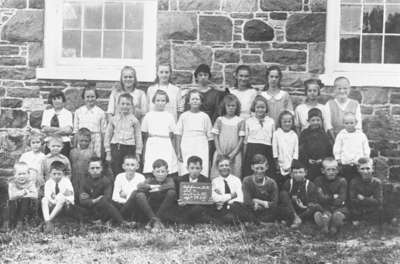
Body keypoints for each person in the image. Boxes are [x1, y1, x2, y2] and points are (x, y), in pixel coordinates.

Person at [80, 157, 132, 227]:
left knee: (106, 202)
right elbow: (83, 200)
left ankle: (121, 222)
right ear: (88, 170)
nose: (95, 170)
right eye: (92, 168)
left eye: (97, 168)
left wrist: (98, 200)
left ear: (101, 169)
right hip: (90, 208)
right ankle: (99, 221)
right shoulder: (84, 181)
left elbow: (107, 197)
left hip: (103, 208)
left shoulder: (106, 181)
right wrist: (94, 200)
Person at [243, 154, 292, 224]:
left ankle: (257, 222)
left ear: (267, 167)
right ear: (252, 167)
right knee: (238, 207)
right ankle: (260, 222)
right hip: (253, 210)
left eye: (262, 168)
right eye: (257, 168)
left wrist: (258, 201)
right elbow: (247, 201)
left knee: (281, 209)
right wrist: (262, 205)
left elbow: (274, 203)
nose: (259, 171)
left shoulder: (271, 182)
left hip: (268, 211)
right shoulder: (247, 180)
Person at [176, 90, 213, 177]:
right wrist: (179, 151)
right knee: (185, 167)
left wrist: (208, 152)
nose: (195, 101)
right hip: (186, 144)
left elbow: (210, 137)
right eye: (192, 99)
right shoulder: (184, 116)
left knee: (201, 166)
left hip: (201, 145)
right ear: (188, 101)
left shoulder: (205, 116)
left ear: (201, 102)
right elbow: (178, 134)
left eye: (197, 99)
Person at [105, 93, 143, 176]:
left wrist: (138, 153)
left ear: (132, 106)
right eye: (122, 104)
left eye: (128, 104)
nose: (125, 106)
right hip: (116, 147)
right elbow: (108, 136)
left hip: (129, 148)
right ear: (118, 105)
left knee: (129, 169)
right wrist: (108, 152)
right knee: (116, 170)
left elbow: (138, 137)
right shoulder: (113, 119)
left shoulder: (134, 121)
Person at [133, 159, 177, 231]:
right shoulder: (150, 179)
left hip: (164, 209)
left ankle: (153, 221)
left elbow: (171, 185)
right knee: (139, 194)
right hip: (151, 209)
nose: (160, 174)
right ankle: (155, 220)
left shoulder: (169, 180)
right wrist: (151, 186)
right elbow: (139, 186)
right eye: (158, 171)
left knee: (172, 192)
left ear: (167, 172)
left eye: (163, 171)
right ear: (153, 172)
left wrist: (158, 188)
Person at [142, 90, 178, 176]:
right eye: (158, 100)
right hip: (152, 143)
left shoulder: (169, 116)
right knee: (151, 164)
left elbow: (174, 134)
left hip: (165, 143)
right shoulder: (148, 115)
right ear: (154, 101)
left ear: (166, 102)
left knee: (166, 163)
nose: (160, 103)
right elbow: (144, 134)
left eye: (163, 101)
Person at [211, 94, 245, 178]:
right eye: (228, 105)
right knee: (218, 174)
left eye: (233, 106)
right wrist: (219, 150)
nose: (231, 108)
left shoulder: (240, 121)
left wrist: (234, 153)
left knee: (235, 173)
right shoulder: (220, 119)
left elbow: (241, 139)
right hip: (221, 152)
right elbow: (215, 136)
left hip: (234, 153)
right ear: (224, 107)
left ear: (237, 107)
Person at [281, 160, 323, 228]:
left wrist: (304, 206)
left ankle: (295, 220)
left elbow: (313, 201)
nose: (298, 174)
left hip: (304, 209)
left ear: (305, 173)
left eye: (300, 172)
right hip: (292, 209)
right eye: (295, 172)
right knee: (283, 194)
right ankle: (295, 218)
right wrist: (292, 200)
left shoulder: (310, 185)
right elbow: (284, 199)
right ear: (291, 174)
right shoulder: (288, 183)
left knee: (316, 207)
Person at [210, 156, 251, 224]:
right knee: (217, 210)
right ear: (217, 168)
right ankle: (232, 219)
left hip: (233, 207)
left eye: (226, 165)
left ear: (230, 167)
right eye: (221, 166)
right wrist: (231, 196)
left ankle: (233, 218)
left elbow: (240, 197)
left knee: (236, 207)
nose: (224, 167)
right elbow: (215, 198)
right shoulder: (215, 181)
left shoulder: (236, 180)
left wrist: (226, 202)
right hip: (221, 208)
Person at [349, 158, 388, 225]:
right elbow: (353, 200)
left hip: (372, 210)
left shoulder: (377, 182)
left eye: (368, 168)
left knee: (380, 210)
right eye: (362, 169)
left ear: (372, 169)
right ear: (358, 170)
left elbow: (379, 201)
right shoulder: (354, 182)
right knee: (353, 210)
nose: (365, 172)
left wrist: (364, 199)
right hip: (359, 209)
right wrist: (371, 199)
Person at [243, 95, 275, 178]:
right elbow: (245, 140)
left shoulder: (271, 121)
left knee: (266, 173)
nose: (260, 109)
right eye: (258, 107)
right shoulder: (249, 121)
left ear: (266, 108)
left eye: (262, 107)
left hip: (266, 149)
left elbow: (273, 139)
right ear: (254, 108)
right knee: (251, 173)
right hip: (252, 149)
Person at [314, 158, 348, 235]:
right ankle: (325, 224)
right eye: (328, 170)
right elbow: (320, 198)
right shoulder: (318, 180)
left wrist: (326, 197)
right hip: (324, 207)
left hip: (338, 207)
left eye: (334, 170)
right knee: (322, 211)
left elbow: (341, 199)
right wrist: (332, 197)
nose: (331, 172)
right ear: (323, 171)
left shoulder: (342, 181)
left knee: (338, 214)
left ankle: (333, 226)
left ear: (338, 170)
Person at [333, 112, 370, 183]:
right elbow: (337, 147)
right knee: (347, 179)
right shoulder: (341, 135)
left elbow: (365, 147)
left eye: (351, 123)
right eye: (346, 123)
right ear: (343, 124)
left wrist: (366, 157)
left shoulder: (361, 135)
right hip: (346, 163)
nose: (349, 125)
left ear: (356, 123)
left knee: (358, 180)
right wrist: (338, 158)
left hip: (358, 163)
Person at [41, 161, 77, 232]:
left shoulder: (66, 182)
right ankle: (47, 221)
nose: (56, 176)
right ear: (50, 174)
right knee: (44, 199)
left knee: (62, 198)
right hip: (53, 204)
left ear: (63, 174)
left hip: (64, 206)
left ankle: (48, 221)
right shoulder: (48, 183)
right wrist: (53, 201)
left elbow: (70, 196)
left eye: (59, 174)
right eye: (54, 174)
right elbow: (47, 196)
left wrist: (60, 198)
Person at [174, 156, 211, 224]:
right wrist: (178, 202)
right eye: (192, 168)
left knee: (199, 209)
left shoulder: (206, 181)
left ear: (201, 169)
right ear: (187, 168)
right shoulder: (180, 180)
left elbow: (206, 201)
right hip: (184, 207)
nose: (194, 171)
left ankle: (188, 220)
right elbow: (176, 197)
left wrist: (209, 200)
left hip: (198, 208)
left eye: (197, 168)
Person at [73, 84, 106, 158]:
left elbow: (103, 131)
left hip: (96, 140)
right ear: (83, 98)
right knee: (82, 158)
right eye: (87, 97)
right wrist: (75, 145)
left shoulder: (100, 112)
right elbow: (75, 130)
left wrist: (104, 147)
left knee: (95, 159)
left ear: (96, 97)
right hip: (82, 139)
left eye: (92, 97)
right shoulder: (78, 111)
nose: (90, 99)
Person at [299, 108, 332, 181]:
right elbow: (301, 149)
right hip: (308, 164)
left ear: (321, 121)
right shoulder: (304, 133)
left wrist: (322, 159)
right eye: (313, 120)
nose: (315, 122)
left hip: (321, 164)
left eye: (318, 120)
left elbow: (328, 149)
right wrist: (307, 159)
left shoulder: (324, 134)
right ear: (308, 121)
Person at [41, 89, 73, 157]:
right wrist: (61, 130)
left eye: (58, 98)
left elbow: (68, 130)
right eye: (54, 99)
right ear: (51, 100)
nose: (56, 101)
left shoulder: (68, 113)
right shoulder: (47, 112)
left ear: (62, 100)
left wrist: (51, 130)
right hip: (50, 143)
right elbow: (44, 129)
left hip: (64, 143)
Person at [112, 155, 145, 221]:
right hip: (121, 205)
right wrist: (128, 199)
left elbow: (137, 197)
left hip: (134, 207)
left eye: (132, 165)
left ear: (137, 166)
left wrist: (126, 195)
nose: (130, 167)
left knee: (137, 197)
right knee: (109, 202)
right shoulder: (119, 176)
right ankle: (122, 219)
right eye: (127, 165)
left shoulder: (141, 177)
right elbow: (114, 197)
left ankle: (117, 219)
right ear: (123, 166)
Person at [8, 162, 38, 230]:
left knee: (26, 199)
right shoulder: (12, 182)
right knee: (11, 201)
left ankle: (20, 221)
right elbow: (11, 197)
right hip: (14, 206)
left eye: (24, 174)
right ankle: (11, 222)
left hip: (26, 207)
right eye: (19, 174)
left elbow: (35, 195)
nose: (22, 176)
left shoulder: (30, 182)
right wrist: (23, 193)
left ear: (28, 174)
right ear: (14, 175)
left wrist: (20, 195)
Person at [272, 111, 298, 189]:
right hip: (279, 165)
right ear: (280, 122)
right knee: (279, 184)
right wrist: (277, 164)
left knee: (289, 185)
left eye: (289, 121)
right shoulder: (277, 134)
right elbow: (275, 150)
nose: (287, 124)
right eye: (284, 122)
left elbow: (296, 152)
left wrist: (292, 166)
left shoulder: (294, 135)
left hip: (290, 165)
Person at [70, 128, 94, 203]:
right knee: (74, 196)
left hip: (86, 178)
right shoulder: (72, 151)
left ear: (90, 141)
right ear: (78, 140)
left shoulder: (92, 153)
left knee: (84, 196)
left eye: (86, 141)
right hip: (74, 177)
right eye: (81, 141)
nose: (83, 143)